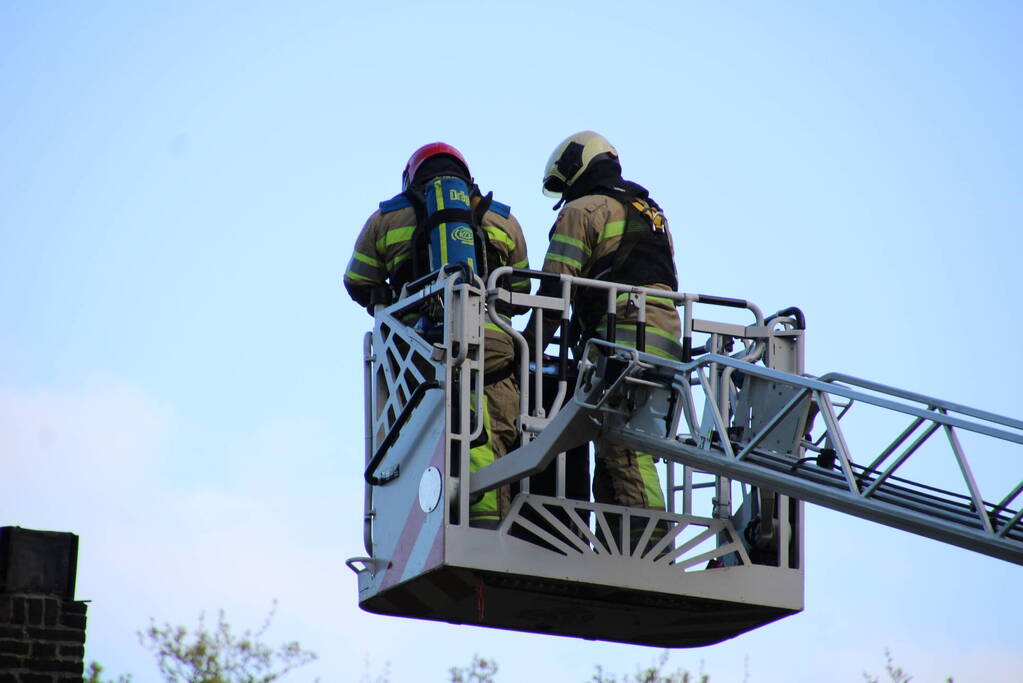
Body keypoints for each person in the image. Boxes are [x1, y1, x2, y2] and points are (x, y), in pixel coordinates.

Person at [344, 142, 530, 527]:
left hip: (419, 348)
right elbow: (523, 295)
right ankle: (487, 524)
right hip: (493, 343)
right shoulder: (503, 220)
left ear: (411, 178)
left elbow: (357, 281)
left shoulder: (386, 218)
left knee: (417, 442)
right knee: (489, 436)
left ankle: (428, 525)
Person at [534, 131, 683, 539]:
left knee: (624, 446)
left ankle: (650, 541)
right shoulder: (650, 211)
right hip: (667, 338)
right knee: (624, 445)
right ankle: (620, 542)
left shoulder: (584, 210)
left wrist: (526, 349)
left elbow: (555, 290)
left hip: (623, 340)